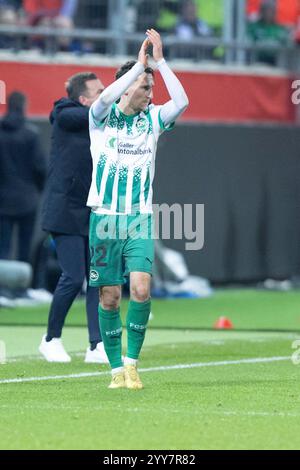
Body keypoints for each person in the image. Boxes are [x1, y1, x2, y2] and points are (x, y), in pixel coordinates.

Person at [87, 29, 189, 389]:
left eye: (151, 88)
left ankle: (132, 364)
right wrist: (138, 69)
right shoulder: (101, 119)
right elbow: (107, 98)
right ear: (128, 88)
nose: (151, 93)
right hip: (104, 218)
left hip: (138, 218)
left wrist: (158, 63)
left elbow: (182, 101)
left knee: (142, 289)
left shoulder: (153, 121)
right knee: (110, 296)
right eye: (147, 87)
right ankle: (115, 370)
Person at [40, 72, 108, 364]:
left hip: (90, 209)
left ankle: (96, 344)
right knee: (73, 276)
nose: (106, 95)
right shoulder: (66, 114)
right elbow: (91, 115)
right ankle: (50, 339)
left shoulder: (99, 122)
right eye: (100, 92)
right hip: (64, 210)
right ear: (83, 99)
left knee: (96, 278)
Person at [0, 91, 46, 264]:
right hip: (28, 200)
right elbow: (40, 168)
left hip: (2, 200)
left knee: (2, 247)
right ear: (24, 106)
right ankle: (22, 287)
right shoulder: (31, 134)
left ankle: (2, 287)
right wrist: (38, 190)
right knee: (24, 246)